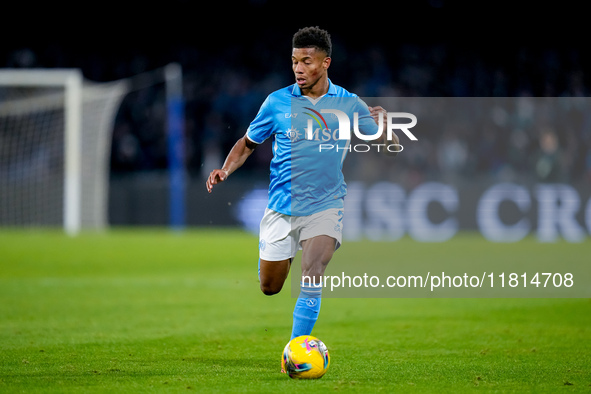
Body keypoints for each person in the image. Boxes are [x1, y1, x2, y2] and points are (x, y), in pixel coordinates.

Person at [206, 26, 397, 358]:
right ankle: (287, 250)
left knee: (313, 273)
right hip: (281, 206)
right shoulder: (276, 102)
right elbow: (247, 144)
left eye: (306, 61)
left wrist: (387, 127)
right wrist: (226, 168)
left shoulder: (349, 104)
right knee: (270, 286)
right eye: (294, 61)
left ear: (325, 63)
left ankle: (294, 353)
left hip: (326, 204)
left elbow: (387, 144)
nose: (297, 68)